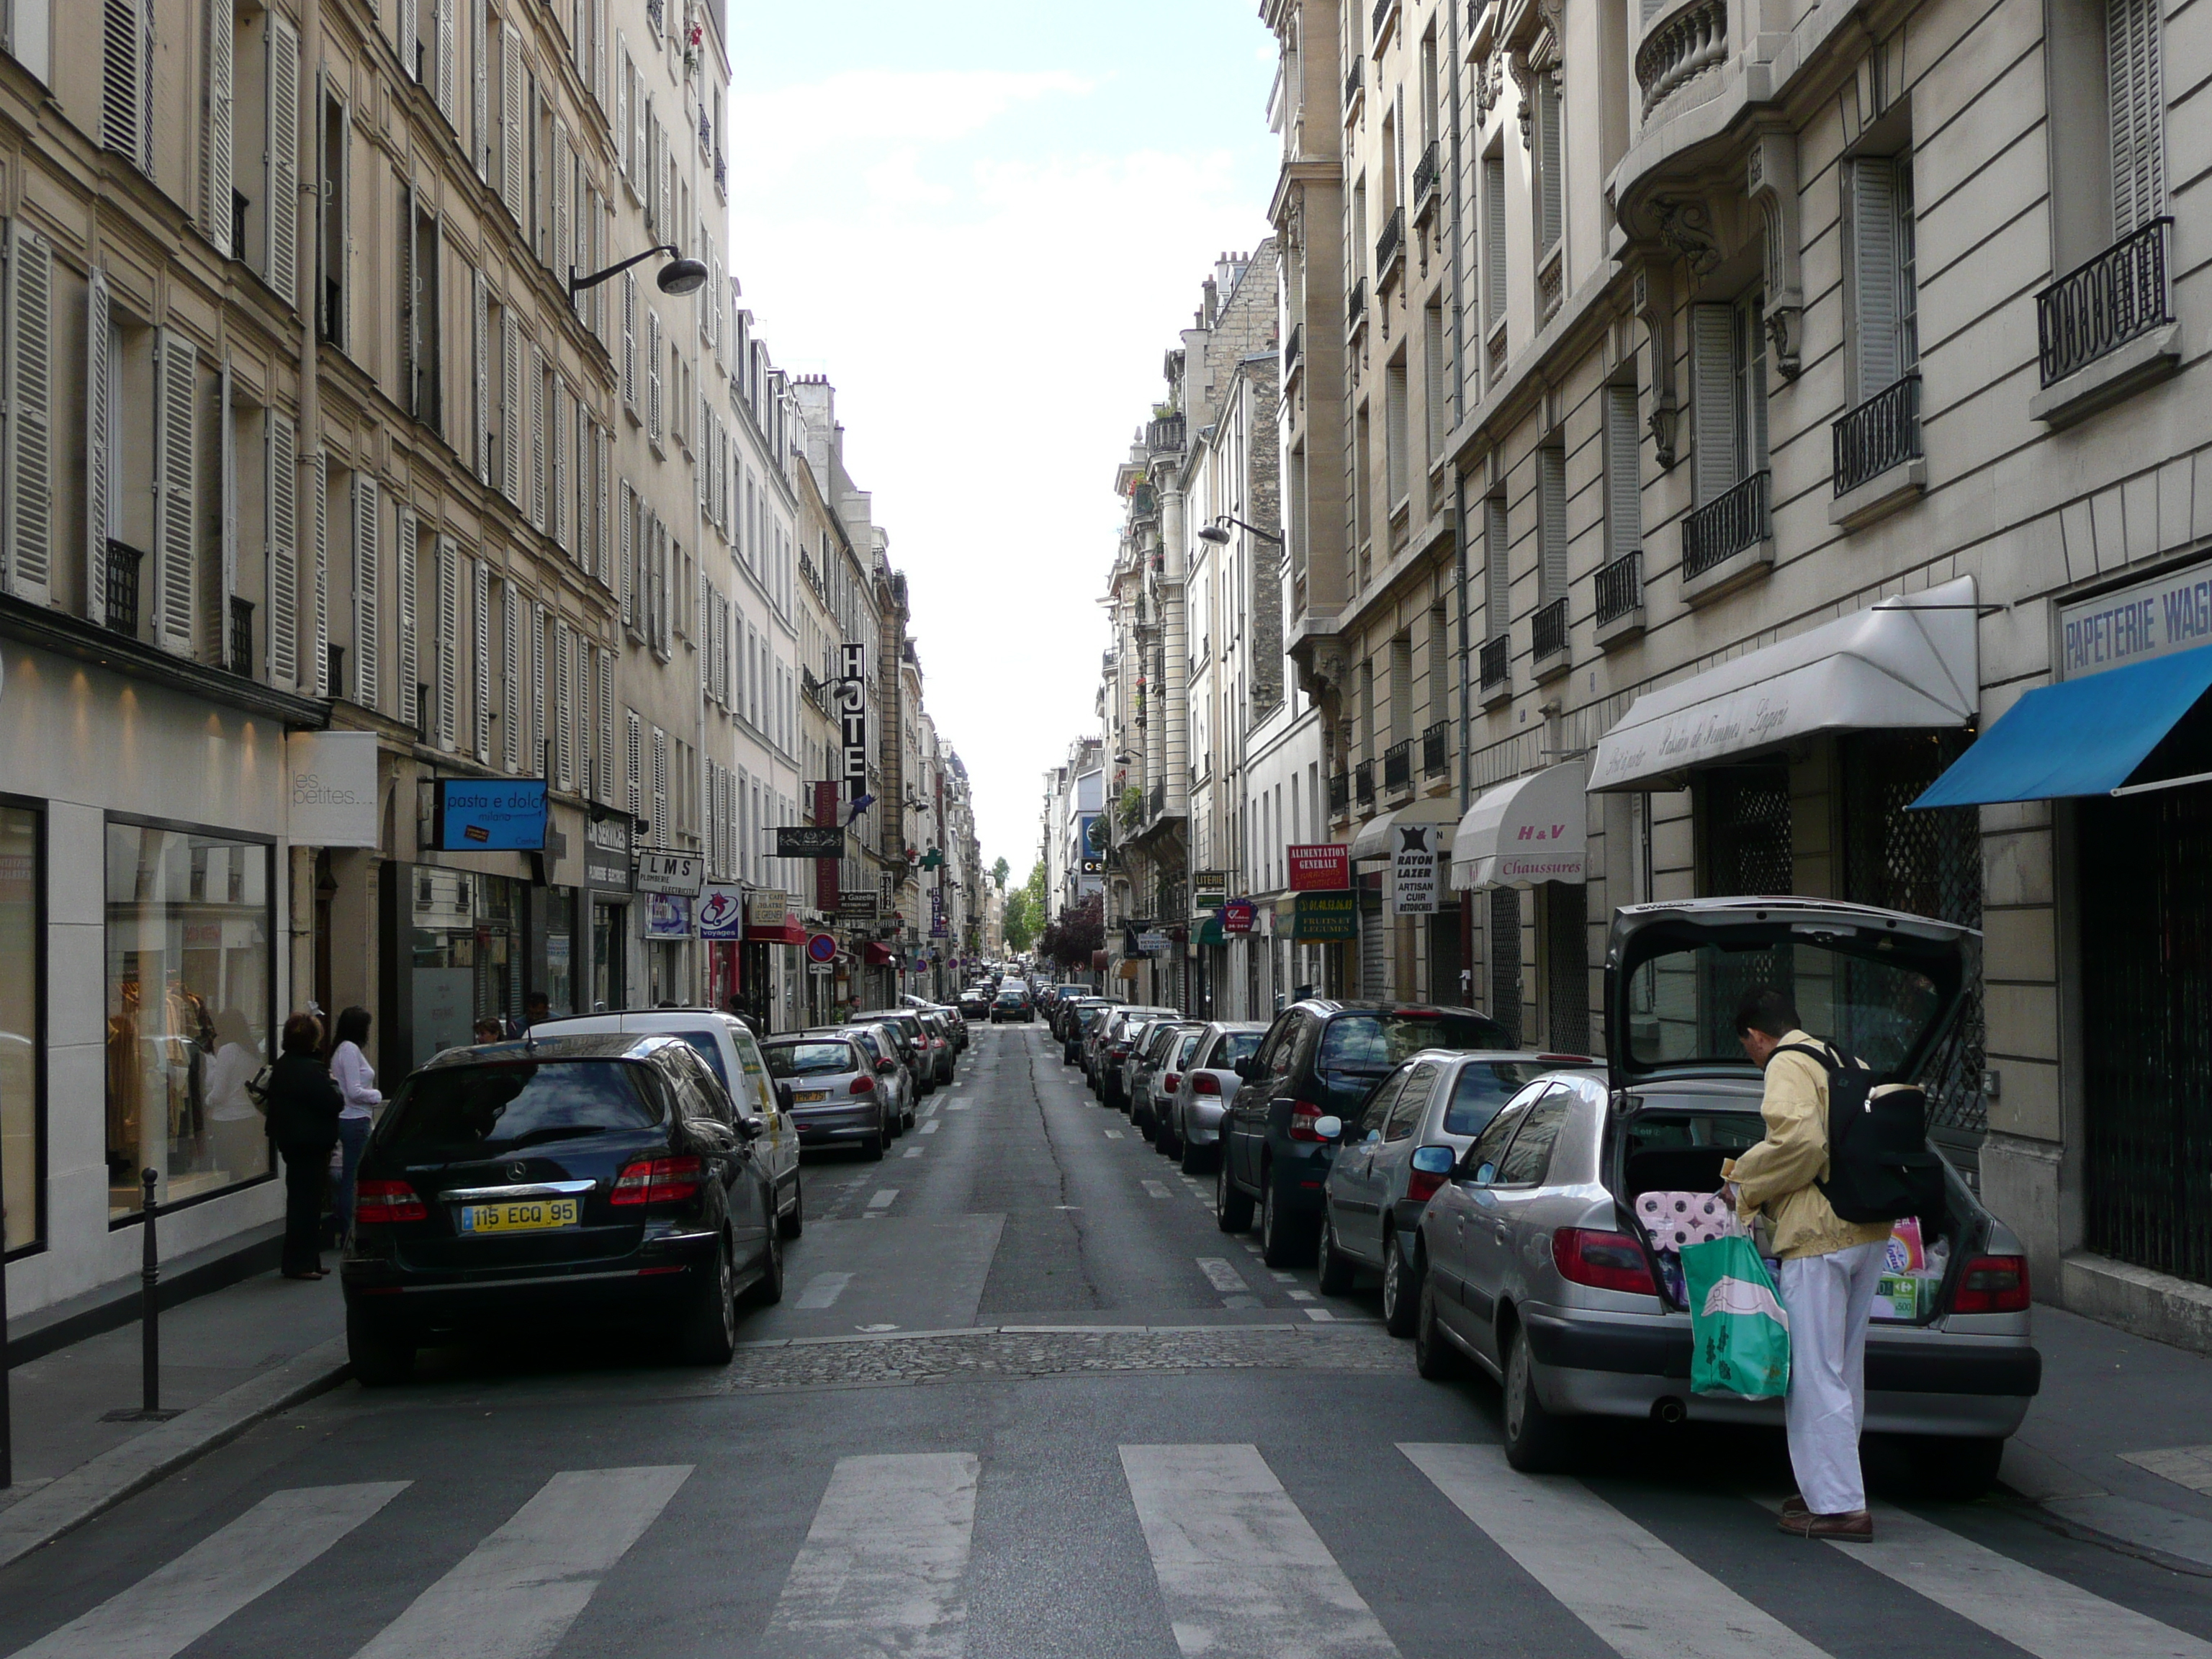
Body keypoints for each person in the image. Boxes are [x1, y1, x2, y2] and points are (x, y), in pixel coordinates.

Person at [1724, 986, 1893, 1542]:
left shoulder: (1785, 1064)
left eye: (1747, 1045)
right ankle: (1829, 1488)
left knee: (1814, 1374)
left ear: (1755, 1035)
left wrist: (1741, 1182)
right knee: (1844, 1369)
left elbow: (1801, 1143)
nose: (1752, 1056)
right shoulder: (1846, 1060)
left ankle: (1842, 1506)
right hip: (1868, 1229)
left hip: (1820, 1235)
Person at [265, 1012, 341, 1279]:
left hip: (293, 1141)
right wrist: (332, 1083)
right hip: (310, 1142)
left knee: (304, 1201)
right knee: (306, 1204)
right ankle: (300, 1263)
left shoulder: (285, 1065)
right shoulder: (310, 1069)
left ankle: (309, 1259)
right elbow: (334, 1101)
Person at [327, 1007, 383, 1237]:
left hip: (351, 1117)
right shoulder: (349, 1050)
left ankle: (346, 1224)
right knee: (354, 1176)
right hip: (355, 1117)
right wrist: (377, 1096)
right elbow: (353, 1090)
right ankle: (350, 1228)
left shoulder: (342, 1049)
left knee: (351, 1175)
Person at [202, 1008, 264, 1181]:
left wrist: (206, 1100)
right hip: (248, 1117)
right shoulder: (251, 1052)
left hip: (227, 1120)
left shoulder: (228, 1050)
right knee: (243, 1172)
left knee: (226, 1174)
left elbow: (219, 1093)